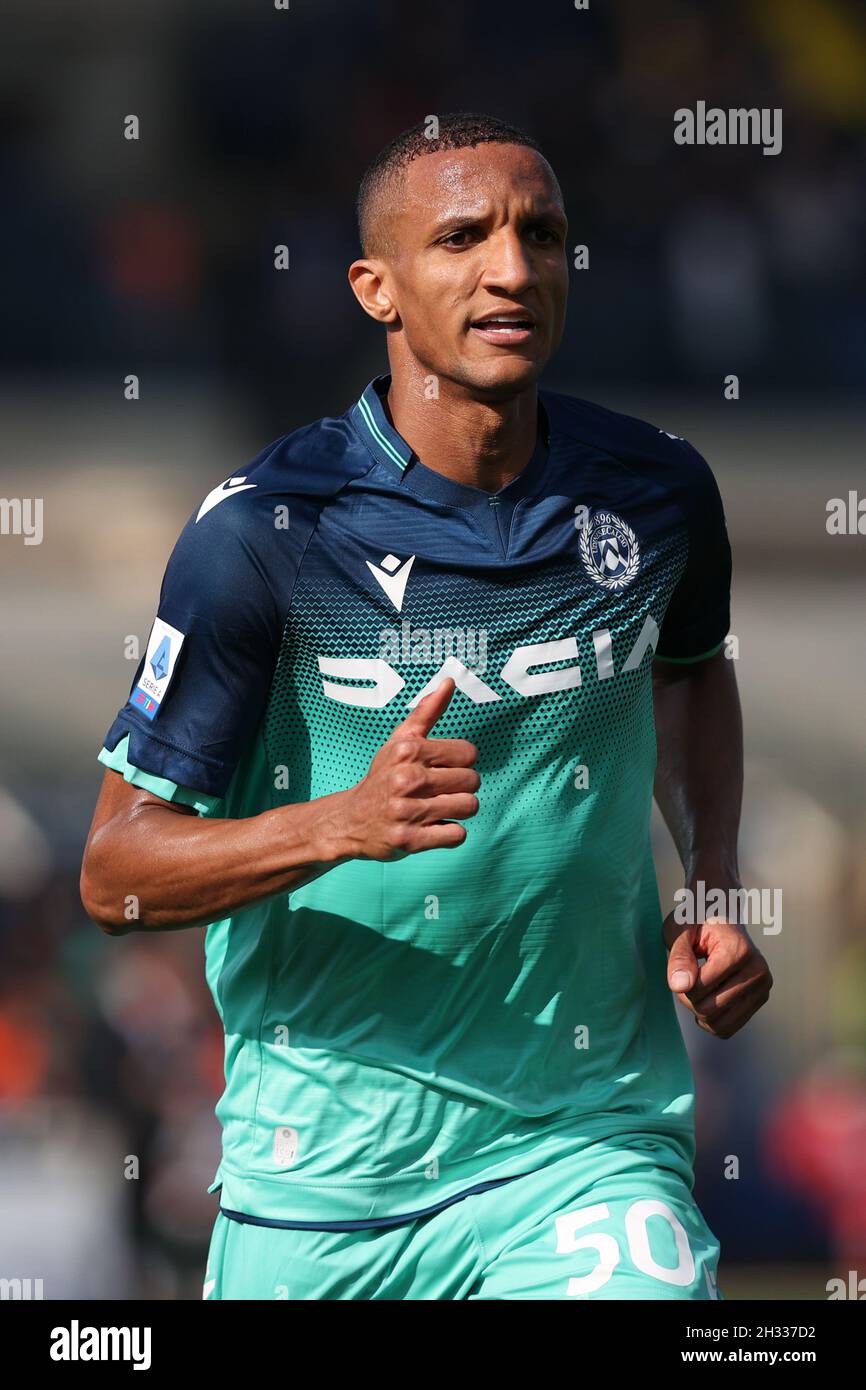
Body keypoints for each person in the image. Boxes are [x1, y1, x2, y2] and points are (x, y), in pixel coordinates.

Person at [81, 113, 772, 1300]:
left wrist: (709, 883)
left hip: (578, 1142)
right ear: (375, 288)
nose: (512, 269)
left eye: (540, 234)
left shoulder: (657, 493)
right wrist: (338, 823)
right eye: (461, 238)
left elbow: (690, 670)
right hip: (321, 1180)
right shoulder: (259, 535)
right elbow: (114, 873)